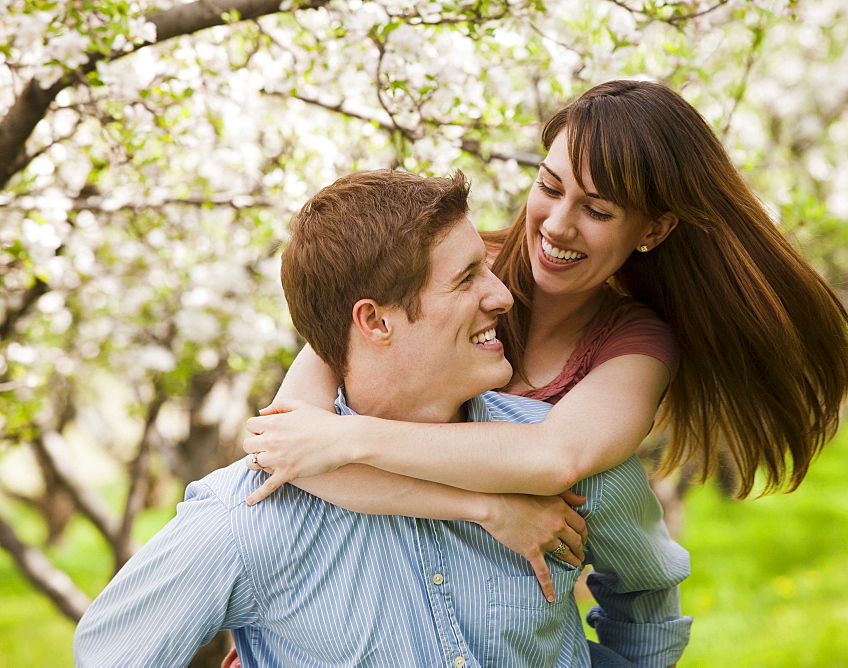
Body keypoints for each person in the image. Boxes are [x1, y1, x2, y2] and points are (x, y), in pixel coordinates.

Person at [74, 169, 691, 667]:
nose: (504, 295)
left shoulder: (567, 468)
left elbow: (648, 606)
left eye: (488, 268)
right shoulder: (250, 521)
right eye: (467, 279)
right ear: (374, 322)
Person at [242, 80, 848, 523]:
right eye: (549, 186)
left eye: (596, 209)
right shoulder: (440, 273)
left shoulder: (634, 346)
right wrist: (482, 507)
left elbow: (554, 456)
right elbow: (286, 445)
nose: (557, 225)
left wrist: (350, 440)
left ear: (653, 230)